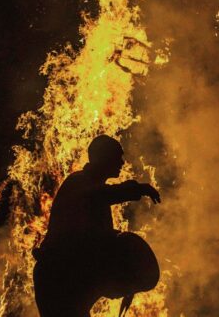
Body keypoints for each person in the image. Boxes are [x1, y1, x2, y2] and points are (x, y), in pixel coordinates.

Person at [33, 135, 161, 317]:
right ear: (103, 157)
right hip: (58, 277)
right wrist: (136, 189)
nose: (122, 162)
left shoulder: (91, 193)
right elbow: (99, 195)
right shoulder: (79, 182)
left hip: (69, 279)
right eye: (118, 156)